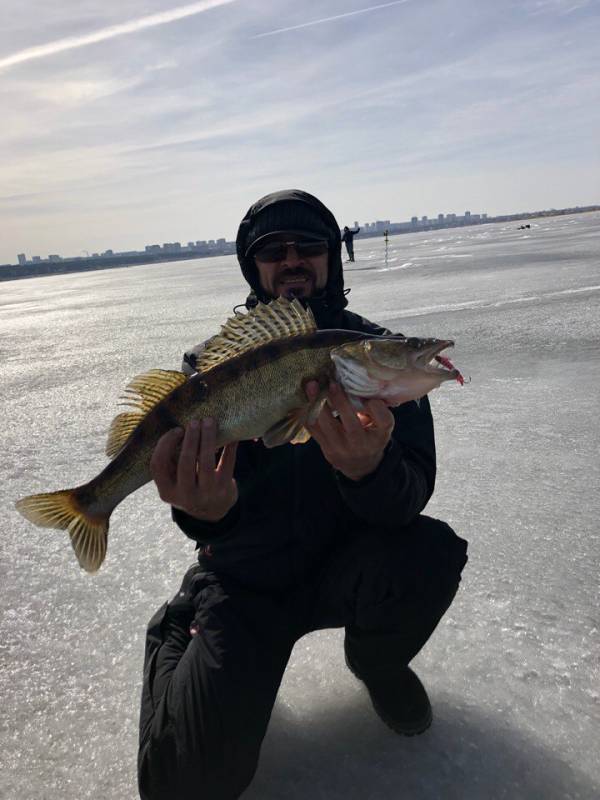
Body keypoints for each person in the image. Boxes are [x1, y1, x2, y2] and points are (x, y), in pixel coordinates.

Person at [137, 189, 468, 800]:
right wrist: (204, 514)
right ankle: (175, 636)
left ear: (331, 256)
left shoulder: (381, 362)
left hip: (347, 567)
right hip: (247, 582)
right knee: (183, 785)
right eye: (271, 250)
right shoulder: (211, 369)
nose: (292, 259)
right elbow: (206, 502)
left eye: (309, 245)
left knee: (429, 554)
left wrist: (369, 473)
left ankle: (377, 662)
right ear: (252, 267)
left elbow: (409, 498)